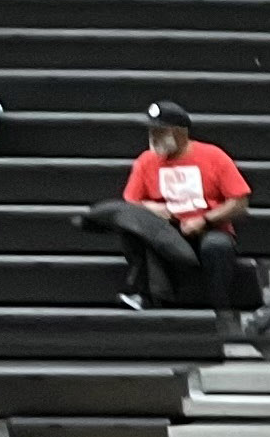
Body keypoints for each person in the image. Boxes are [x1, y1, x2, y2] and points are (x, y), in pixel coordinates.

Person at [102, 101, 250, 315]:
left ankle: (222, 308)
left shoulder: (213, 156)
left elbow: (239, 201)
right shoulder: (145, 161)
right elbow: (131, 202)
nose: (153, 136)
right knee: (132, 231)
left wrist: (205, 220)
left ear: (180, 133)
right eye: (151, 131)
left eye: (160, 131)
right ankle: (148, 296)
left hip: (208, 228)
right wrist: (152, 209)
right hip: (165, 230)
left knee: (216, 246)